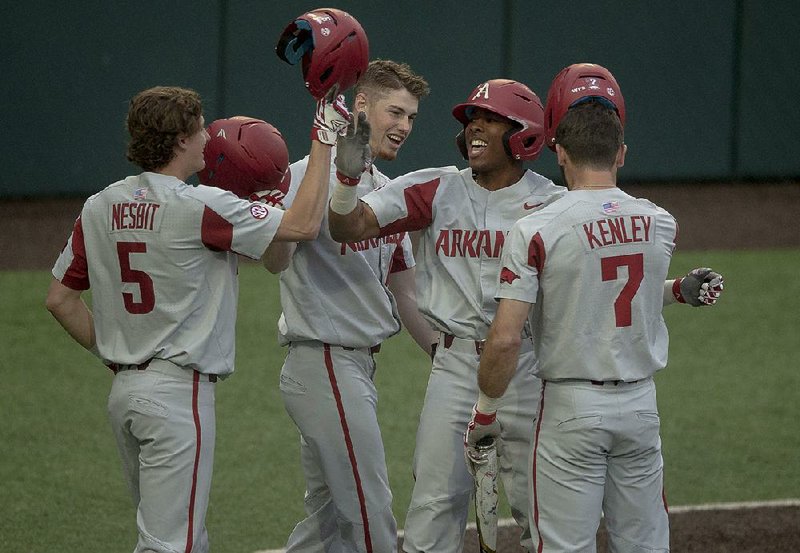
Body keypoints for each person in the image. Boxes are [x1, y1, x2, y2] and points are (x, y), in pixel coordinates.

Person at [329, 75, 722, 552]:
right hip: (455, 368)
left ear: (525, 135)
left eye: (491, 121)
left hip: (532, 369)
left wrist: (674, 290)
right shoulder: (433, 189)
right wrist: (346, 183)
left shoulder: (556, 205)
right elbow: (348, 226)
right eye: (472, 119)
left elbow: (597, 291)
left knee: (540, 509)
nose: (475, 129)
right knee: (434, 504)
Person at [44, 84, 365, 553]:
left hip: (125, 396)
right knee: (173, 544)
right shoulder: (200, 207)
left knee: (162, 535)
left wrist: (118, 355)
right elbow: (303, 224)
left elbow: (60, 299)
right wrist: (323, 138)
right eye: (199, 131)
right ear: (179, 141)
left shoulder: (98, 205)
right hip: (177, 397)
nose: (207, 139)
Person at [464, 68, 723, 552]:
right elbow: (617, 289)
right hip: (640, 408)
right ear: (620, 154)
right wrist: (678, 290)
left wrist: (485, 412)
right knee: (645, 544)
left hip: (570, 411)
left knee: (564, 546)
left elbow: (504, 338)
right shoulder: (660, 223)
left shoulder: (537, 230)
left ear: (559, 152)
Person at [267, 59, 436, 553]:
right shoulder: (301, 178)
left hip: (355, 370)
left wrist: (452, 362)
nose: (404, 126)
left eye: (411, 118)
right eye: (396, 112)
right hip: (323, 361)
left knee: (328, 523)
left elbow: (407, 294)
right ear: (360, 105)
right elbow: (275, 260)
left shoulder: (386, 193)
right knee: (369, 512)